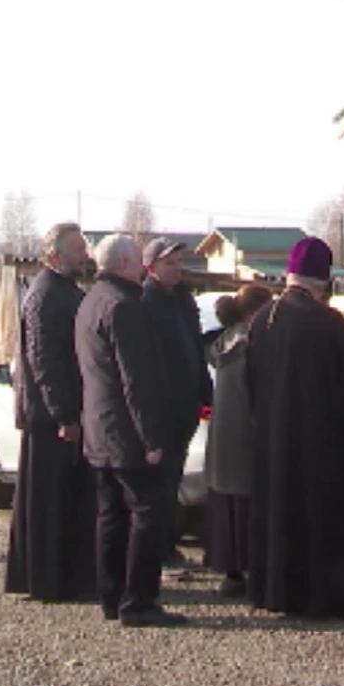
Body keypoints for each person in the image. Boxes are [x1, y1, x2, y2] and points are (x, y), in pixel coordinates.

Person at [243, 238, 344, 619]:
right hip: (320, 439)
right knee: (319, 519)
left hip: (271, 436)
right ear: (322, 279)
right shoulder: (328, 322)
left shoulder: (263, 319)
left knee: (277, 514)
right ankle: (321, 595)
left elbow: (249, 381)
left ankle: (275, 591)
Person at [76, 234, 184, 627]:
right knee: (145, 513)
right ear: (123, 264)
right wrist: (152, 438)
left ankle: (111, 596)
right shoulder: (125, 308)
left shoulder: (90, 301)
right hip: (128, 432)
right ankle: (138, 601)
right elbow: (136, 380)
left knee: (110, 514)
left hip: (99, 427)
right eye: (139, 261)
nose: (143, 268)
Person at [5, 223, 97, 601]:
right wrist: (64, 415)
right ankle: (46, 580)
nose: (84, 255)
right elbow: (45, 360)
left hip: (62, 413)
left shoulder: (65, 291)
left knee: (64, 500)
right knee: (47, 502)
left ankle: (64, 576)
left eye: (84, 248)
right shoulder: (44, 296)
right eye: (77, 249)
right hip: (49, 419)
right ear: (55, 255)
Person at [140, 237, 212, 566]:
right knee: (158, 483)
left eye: (178, 263)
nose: (176, 269)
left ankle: (168, 544)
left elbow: (196, 350)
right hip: (161, 407)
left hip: (186, 406)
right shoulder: (146, 301)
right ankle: (157, 550)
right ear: (151, 267)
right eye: (169, 263)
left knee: (174, 479)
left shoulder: (183, 301)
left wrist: (204, 390)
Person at [202, 283, 270, 597]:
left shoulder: (222, 342)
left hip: (222, 436)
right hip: (247, 434)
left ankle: (231, 570)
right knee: (248, 506)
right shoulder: (253, 343)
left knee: (227, 506)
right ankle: (253, 568)